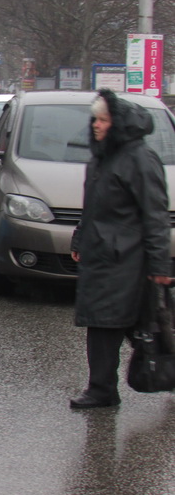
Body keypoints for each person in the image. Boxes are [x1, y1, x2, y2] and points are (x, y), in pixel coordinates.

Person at [69, 88, 172, 409]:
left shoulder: (140, 159)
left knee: (118, 323)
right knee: (110, 323)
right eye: (95, 120)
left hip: (126, 261)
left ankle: (102, 390)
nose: (97, 125)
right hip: (103, 258)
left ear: (120, 123)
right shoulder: (102, 158)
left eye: (104, 120)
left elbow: (155, 216)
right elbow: (93, 208)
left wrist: (159, 267)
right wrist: (79, 238)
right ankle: (102, 389)